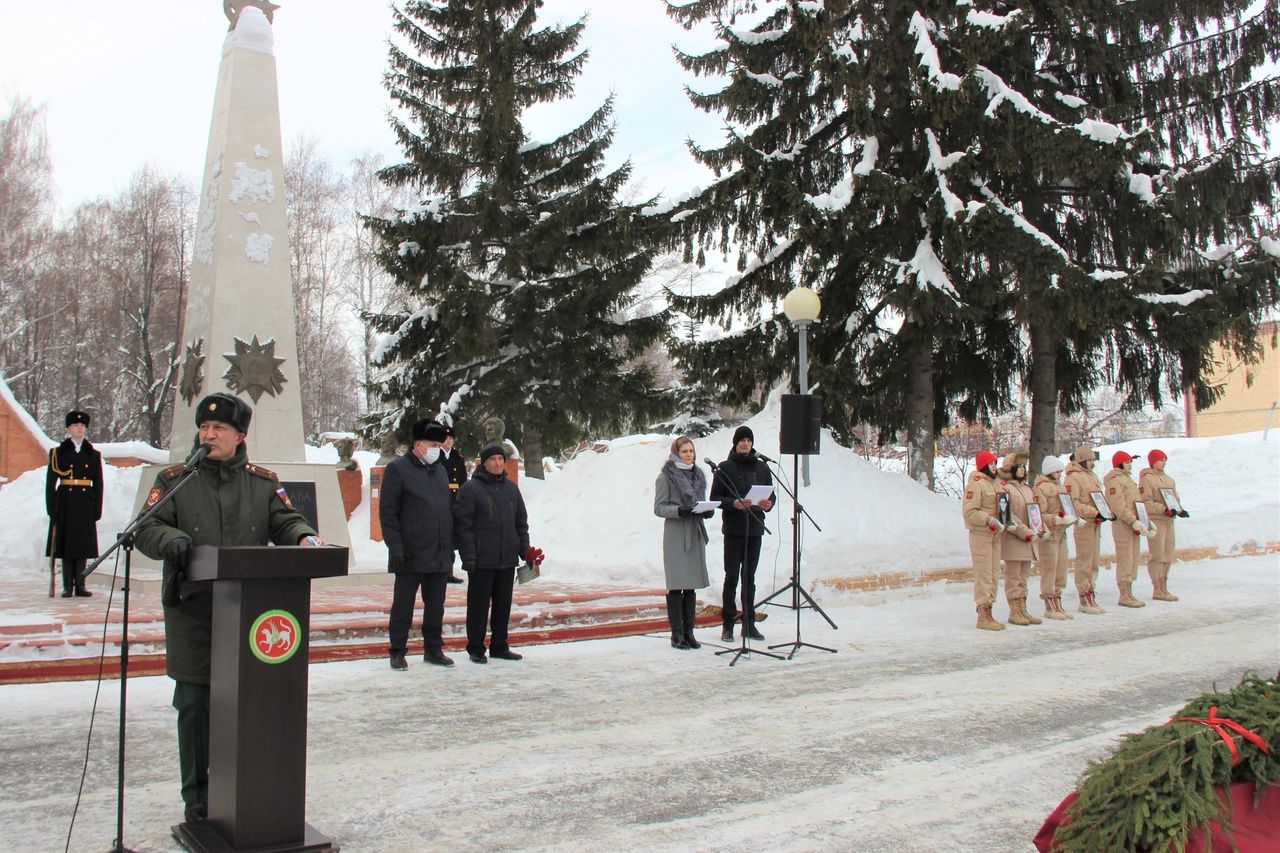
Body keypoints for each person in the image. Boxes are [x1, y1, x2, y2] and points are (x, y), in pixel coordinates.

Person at [134, 393, 321, 826]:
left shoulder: (261, 483)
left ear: (240, 436)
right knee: (196, 705)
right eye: (204, 427)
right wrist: (169, 541)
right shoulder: (178, 479)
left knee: (251, 702)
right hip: (195, 612)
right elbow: (148, 527)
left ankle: (250, 788)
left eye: (219, 429)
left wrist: (304, 537)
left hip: (250, 614)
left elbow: (286, 520)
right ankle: (197, 799)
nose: (209, 434)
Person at [380, 418, 455, 669]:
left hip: (439, 551)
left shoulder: (440, 470)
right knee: (404, 605)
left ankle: (433, 649)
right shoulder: (398, 469)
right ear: (418, 444)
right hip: (410, 552)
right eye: (432, 443)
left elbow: (445, 510)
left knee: (436, 606)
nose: (437, 448)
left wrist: (449, 547)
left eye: (439, 443)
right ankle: (398, 650)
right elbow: (388, 512)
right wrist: (396, 546)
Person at [453, 442, 530, 663]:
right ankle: (476, 648)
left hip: (506, 559)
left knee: (502, 606)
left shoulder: (511, 489)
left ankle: (499, 645)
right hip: (481, 560)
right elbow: (463, 526)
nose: (497, 463)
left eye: (500, 459)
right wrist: (468, 557)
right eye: (492, 460)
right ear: (483, 463)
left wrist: (525, 552)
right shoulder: (470, 489)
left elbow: (521, 524)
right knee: (478, 607)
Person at [709, 425, 774, 643]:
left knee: (750, 578)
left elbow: (771, 495)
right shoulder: (724, 468)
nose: (745, 443)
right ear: (735, 443)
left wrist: (768, 504)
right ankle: (728, 624)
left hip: (754, 529)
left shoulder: (762, 468)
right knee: (732, 578)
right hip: (734, 530)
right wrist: (733, 503)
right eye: (742, 440)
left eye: (749, 440)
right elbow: (716, 497)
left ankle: (749, 624)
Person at [653, 436, 714, 650]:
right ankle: (676, 634)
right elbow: (659, 508)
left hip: (694, 532)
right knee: (677, 584)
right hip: (677, 534)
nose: (689, 454)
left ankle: (690, 632)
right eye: (685, 451)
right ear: (676, 453)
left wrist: (707, 511)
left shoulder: (699, 476)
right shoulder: (666, 476)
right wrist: (680, 510)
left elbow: (700, 502)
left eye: (691, 451)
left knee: (690, 585)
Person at [45, 410, 103, 598]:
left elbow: (99, 483)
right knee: (67, 545)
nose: (80, 428)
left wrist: (97, 508)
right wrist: (51, 508)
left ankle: (80, 584)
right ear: (68, 428)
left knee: (82, 546)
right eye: (76, 425)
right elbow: (50, 484)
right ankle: (67, 585)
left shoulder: (93, 454)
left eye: (83, 426)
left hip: (85, 502)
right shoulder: (58, 453)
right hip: (66, 502)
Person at [962, 450, 1005, 630]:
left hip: (995, 535)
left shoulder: (997, 484)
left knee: (994, 573)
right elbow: (969, 512)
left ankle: (990, 610)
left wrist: (1006, 520)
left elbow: (1004, 508)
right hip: (981, 535)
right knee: (984, 574)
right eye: (990, 464)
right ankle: (983, 613)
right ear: (982, 466)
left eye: (995, 463)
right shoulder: (976, 485)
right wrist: (988, 519)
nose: (994, 467)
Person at [997, 452, 1041, 626]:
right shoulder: (1004, 488)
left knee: (1023, 577)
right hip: (1014, 539)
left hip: (1028, 539)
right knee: (1014, 577)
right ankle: (1014, 610)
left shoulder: (1027, 489)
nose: (1022, 470)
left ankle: (1023, 608)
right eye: (1019, 467)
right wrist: (1024, 531)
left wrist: (1037, 528)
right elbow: (1008, 515)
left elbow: (1033, 512)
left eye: (1024, 467)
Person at [1104, 450, 1152, 608]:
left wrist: (1145, 521)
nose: (1130, 465)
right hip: (1123, 524)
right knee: (1125, 558)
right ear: (1120, 463)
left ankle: (1129, 592)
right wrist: (1132, 520)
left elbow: (1137, 504)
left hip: (1133, 524)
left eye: (1131, 462)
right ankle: (1124, 594)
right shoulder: (1115, 481)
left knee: (1132, 558)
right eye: (1127, 462)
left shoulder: (1128, 480)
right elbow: (1118, 505)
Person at [1139, 448, 1187, 602]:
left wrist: (1179, 509)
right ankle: (1157, 588)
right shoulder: (1147, 479)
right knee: (1158, 555)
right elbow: (1146, 501)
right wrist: (1162, 509)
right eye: (1160, 460)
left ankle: (1164, 585)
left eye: (1165, 460)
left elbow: (1174, 497)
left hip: (1168, 520)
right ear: (1153, 462)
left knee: (1168, 554)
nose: (1163, 463)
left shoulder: (1169, 479)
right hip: (1157, 520)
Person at [1063, 444, 1106, 614]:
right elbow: (1073, 503)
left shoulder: (1092, 476)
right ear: (1081, 460)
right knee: (1085, 560)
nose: (1091, 463)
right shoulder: (1073, 478)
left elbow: (1098, 498)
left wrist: (1104, 511)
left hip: (1095, 522)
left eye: (1092, 460)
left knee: (1094, 561)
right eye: (1088, 460)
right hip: (1084, 523)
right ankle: (1083, 596)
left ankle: (1091, 591)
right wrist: (1093, 511)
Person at [1032, 456, 1074, 620]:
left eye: (1060, 471)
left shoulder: (1060, 487)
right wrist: (1055, 520)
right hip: (1050, 534)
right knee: (1050, 568)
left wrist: (1073, 517)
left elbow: (1068, 506)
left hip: (1061, 533)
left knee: (1061, 568)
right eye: (1056, 471)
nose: (1059, 474)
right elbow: (1039, 513)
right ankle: (1049, 602)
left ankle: (1058, 598)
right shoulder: (1041, 488)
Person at [441, 425, 467, 584]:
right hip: (441, 498)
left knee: (452, 537)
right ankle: (441, 570)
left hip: (456, 499)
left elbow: (463, 480)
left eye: (451, 438)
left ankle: (449, 571)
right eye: (445, 438)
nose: (448, 441)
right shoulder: (435, 457)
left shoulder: (458, 457)